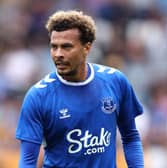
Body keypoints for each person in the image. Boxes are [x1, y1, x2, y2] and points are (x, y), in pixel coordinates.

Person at [16, 10, 144, 168]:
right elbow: (28, 161)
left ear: (86, 48)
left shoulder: (115, 81)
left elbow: (130, 137)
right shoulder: (38, 96)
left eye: (66, 47)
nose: (58, 54)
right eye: (54, 47)